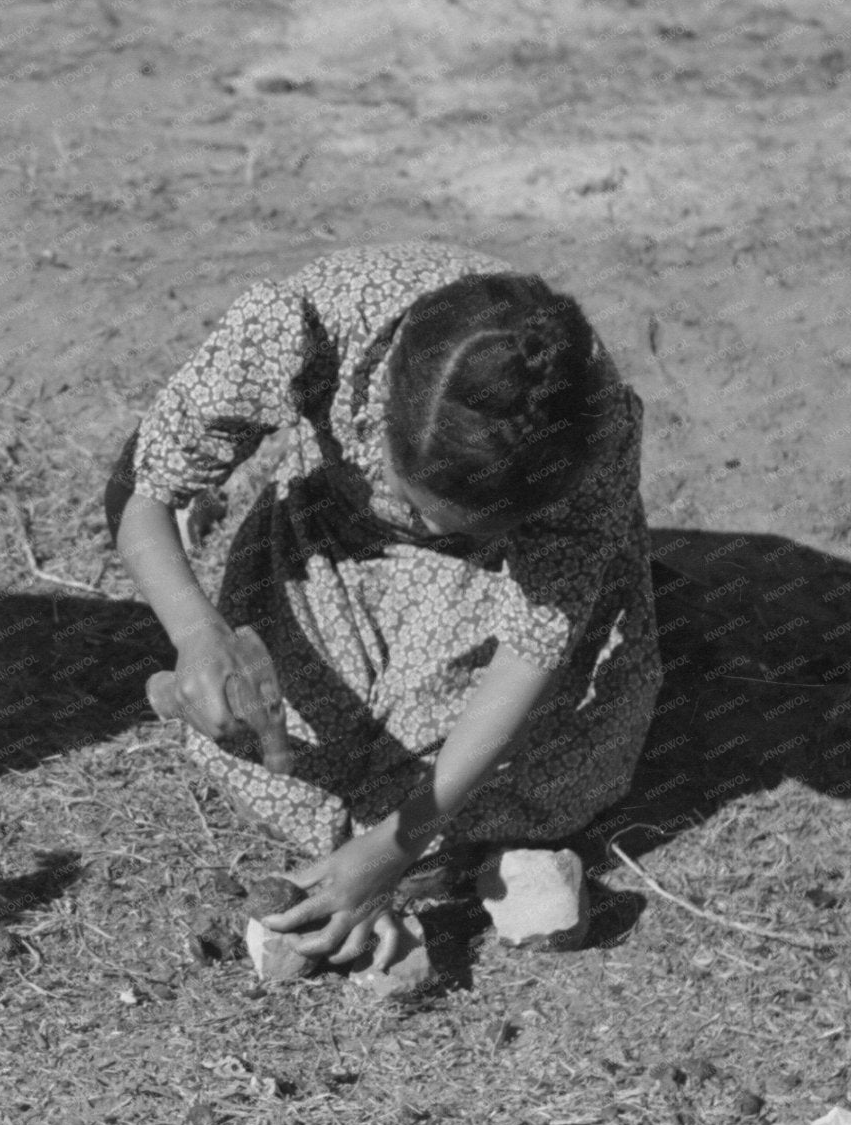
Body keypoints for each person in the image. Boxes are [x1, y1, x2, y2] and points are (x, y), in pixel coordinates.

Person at [108, 243, 658, 972]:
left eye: (456, 524)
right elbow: (143, 489)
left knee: (529, 743)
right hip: (336, 549)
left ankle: (442, 840)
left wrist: (400, 840)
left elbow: (532, 646)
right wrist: (197, 631)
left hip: (496, 588)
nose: (430, 535)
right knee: (296, 729)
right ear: (387, 419)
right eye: (421, 507)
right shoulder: (310, 323)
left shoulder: (587, 438)